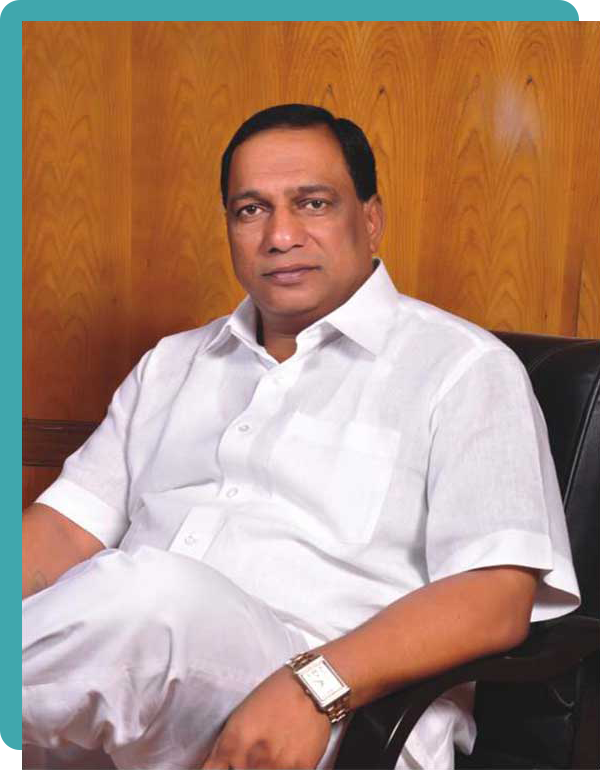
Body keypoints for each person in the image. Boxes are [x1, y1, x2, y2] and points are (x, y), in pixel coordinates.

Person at [22, 104, 580, 770]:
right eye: (250, 210)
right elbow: (64, 533)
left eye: (312, 203)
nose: (280, 235)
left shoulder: (463, 368)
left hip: (339, 716)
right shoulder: (171, 364)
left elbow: (495, 598)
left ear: (369, 219)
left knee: (153, 598)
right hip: (122, 695)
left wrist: (315, 687)